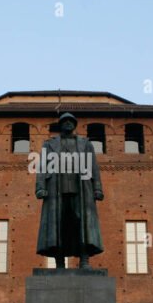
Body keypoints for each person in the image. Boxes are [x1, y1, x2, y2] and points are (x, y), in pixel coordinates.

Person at [35, 112, 104, 269]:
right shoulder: (49, 145)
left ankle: (84, 259)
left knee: (82, 224)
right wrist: (40, 187)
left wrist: (97, 188)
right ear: (60, 125)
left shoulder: (85, 144)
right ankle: (59, 262)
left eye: (70, 121)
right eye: (64, 121)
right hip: (56, 190)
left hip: (80, 190)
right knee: (59, 225)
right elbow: (42, 168)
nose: (67, 123)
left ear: (75, 124)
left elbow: (94, 167)